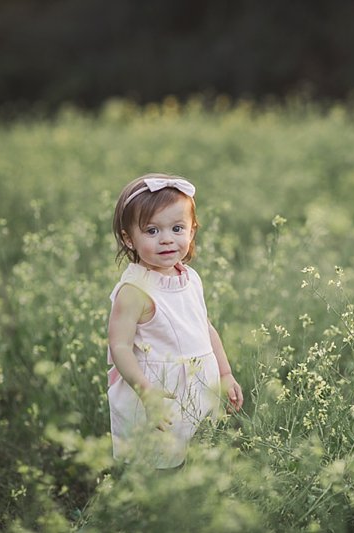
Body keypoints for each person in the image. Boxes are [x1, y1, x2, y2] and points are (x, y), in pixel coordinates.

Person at [106, 173, 243, 469]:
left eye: (177, 228)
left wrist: (225, 373)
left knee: (198, 457)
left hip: (197, 387)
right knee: (155, 464)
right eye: (152, 230)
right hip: (159, 394)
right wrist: (146, 392)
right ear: (129, 238)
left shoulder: (190, 278)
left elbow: (204, 327)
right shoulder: (135, 291)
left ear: (192, 231)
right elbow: (119, 346)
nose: (167, 238)